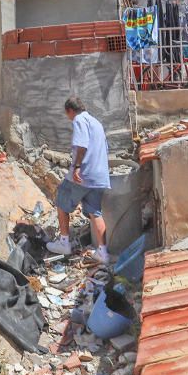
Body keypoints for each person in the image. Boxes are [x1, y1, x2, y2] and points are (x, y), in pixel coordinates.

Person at [46, 97, 111, 264]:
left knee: (61, 201)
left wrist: (75, 167)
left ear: (69, 110)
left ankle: (64, 243)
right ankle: (103, 253)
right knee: (95, 212)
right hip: (99, 176)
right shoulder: (96, 123)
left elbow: (81, 146)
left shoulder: (79, 120)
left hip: (83, 174)